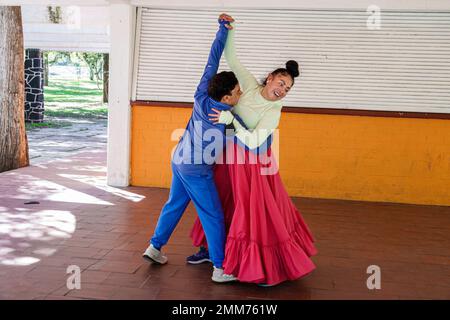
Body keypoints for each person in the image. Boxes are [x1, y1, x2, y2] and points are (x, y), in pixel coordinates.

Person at [188, 14, 318, 286]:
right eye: (281, 83)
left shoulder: (275, 111)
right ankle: (212, 251)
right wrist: (228, 30)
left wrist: (230, 120)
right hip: (228, 157)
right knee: (222, 201)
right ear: (270, 78)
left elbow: (252, 140)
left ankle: (264, 266)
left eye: (288, 88)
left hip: (252, 163)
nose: (283, 90)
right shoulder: (248, 85)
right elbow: (233, 59)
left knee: (253, 213)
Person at [142, 14, 242, 283]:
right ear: (226, 98)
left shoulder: (201, 96)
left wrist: (223, 30)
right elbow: (234, 142)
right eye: (237, 92)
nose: (240, 95)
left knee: (174, 204)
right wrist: (234, 123)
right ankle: (220, 268)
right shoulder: (227, 117)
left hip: (179, 160)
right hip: (196, 169)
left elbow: (212, 61)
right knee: (213, 215)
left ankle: (155, 247)